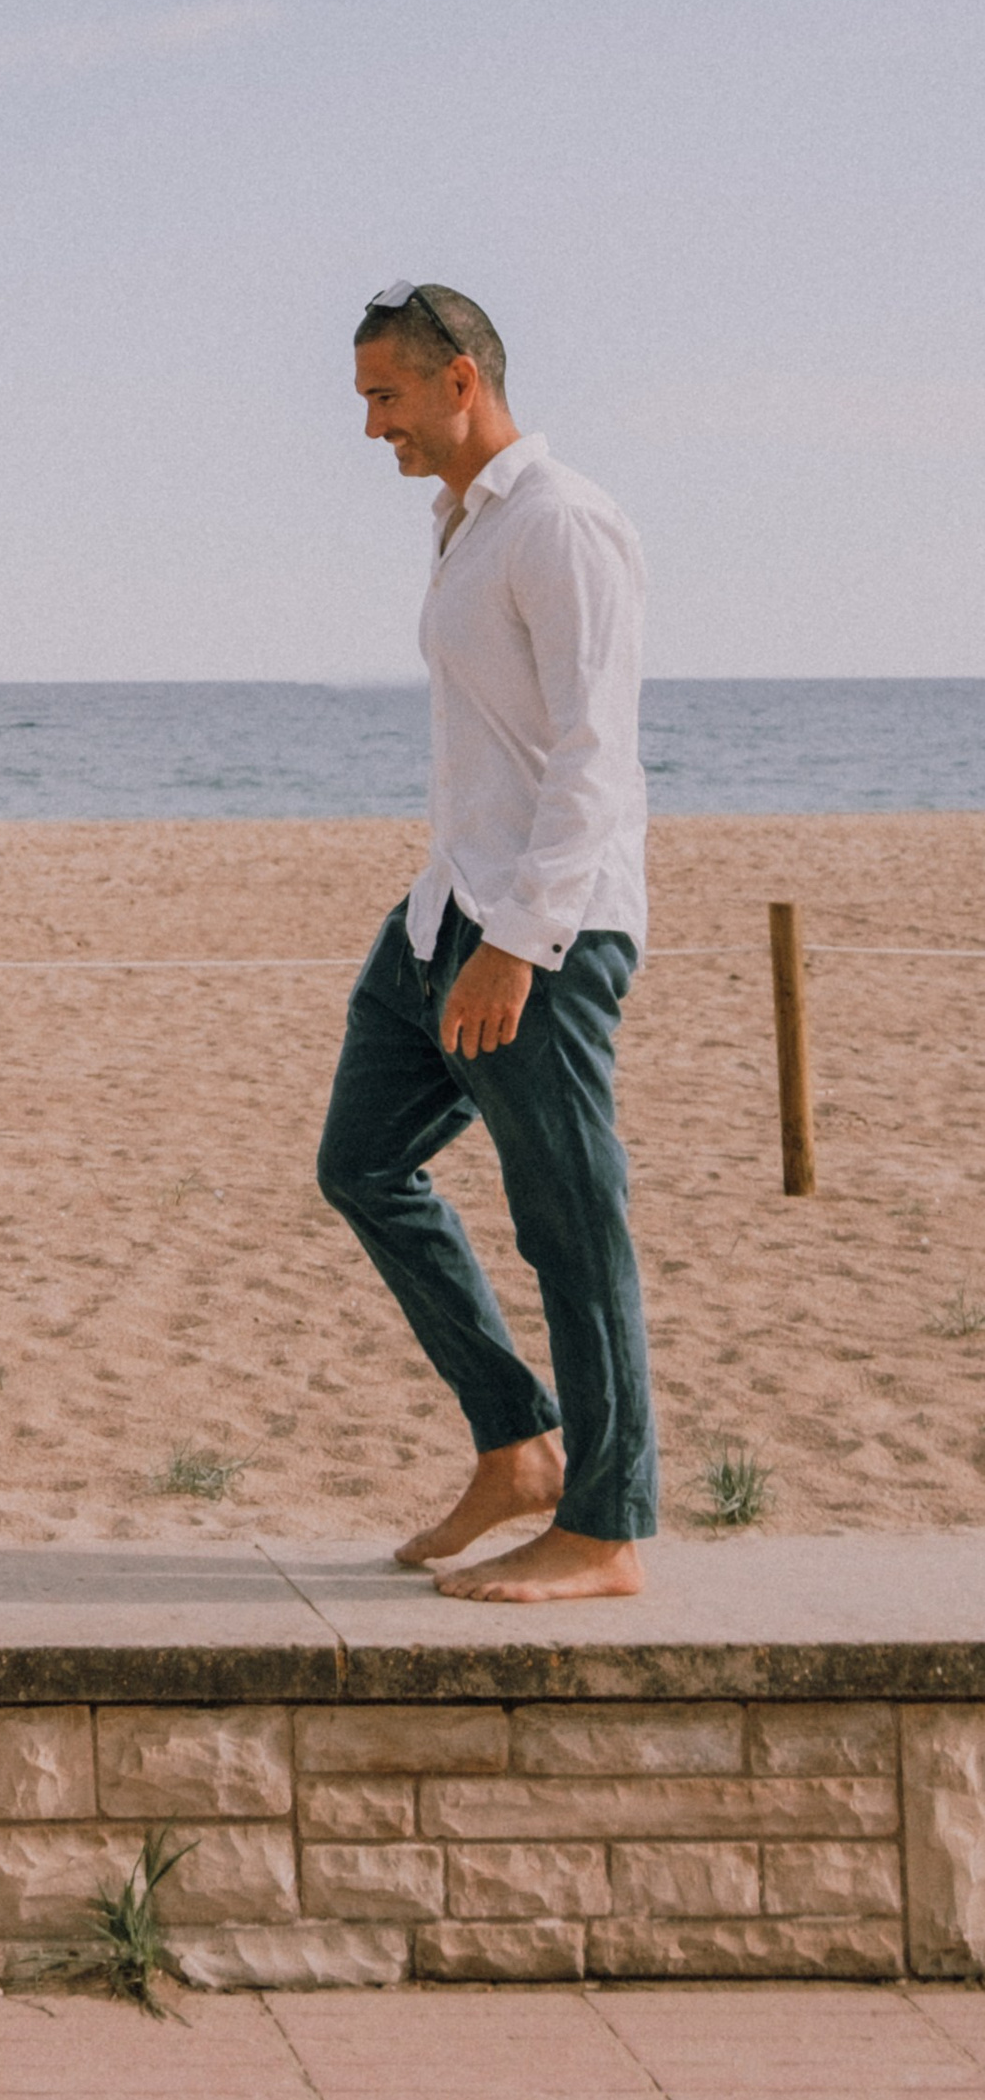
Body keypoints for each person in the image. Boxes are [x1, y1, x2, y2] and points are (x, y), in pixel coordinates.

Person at [315, 285, 658, 1602]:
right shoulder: (464, 525)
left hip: (542, 930)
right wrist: (459, 921)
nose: (371, 426)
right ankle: (517, 1445)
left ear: (462, 380)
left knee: (572, 1223)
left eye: (384, 397)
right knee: (363, 1165)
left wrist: (519, 939)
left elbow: (593, 755)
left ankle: (608, 1523)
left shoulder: (563, 524)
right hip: (441, 913)